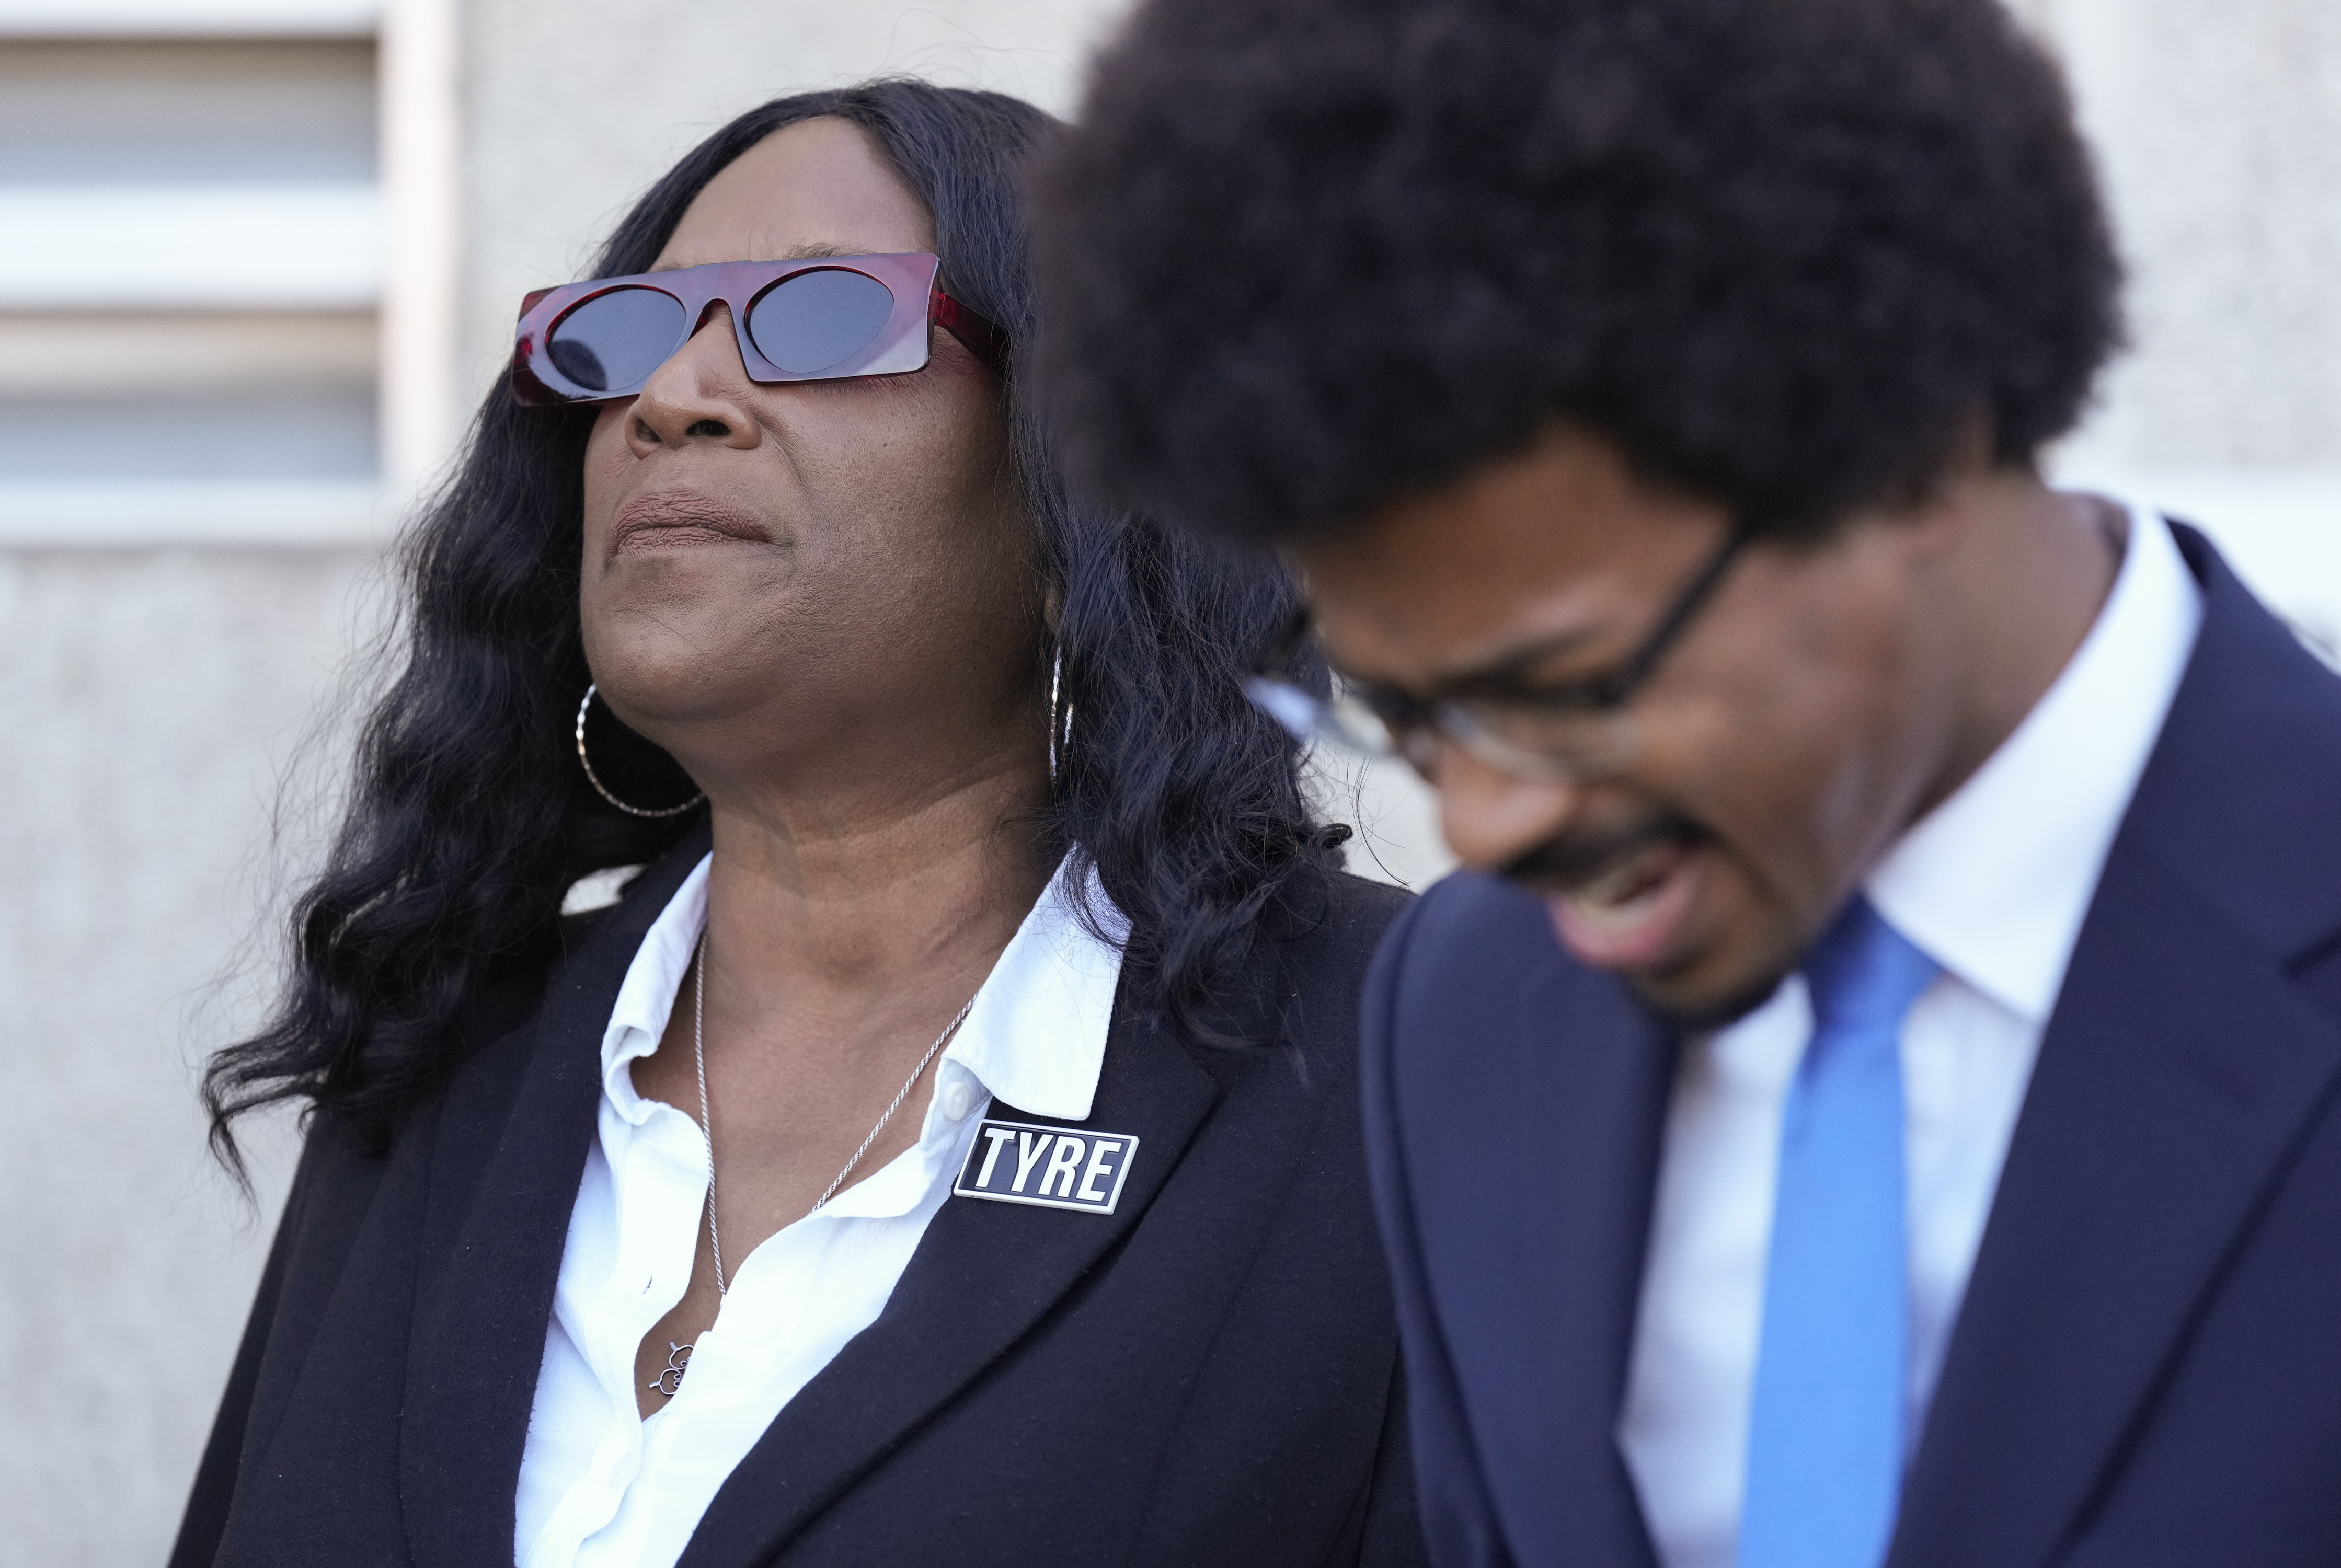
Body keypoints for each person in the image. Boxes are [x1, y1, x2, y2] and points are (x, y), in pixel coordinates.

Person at [1032, 1, 2341, 1564]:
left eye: (1567, 692)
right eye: (1403, 711)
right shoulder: (1467, 1009)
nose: (1483, 826)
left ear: (1914, 444)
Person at [174, 80, 1424, 1568]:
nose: (673, 396)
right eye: (633, 328)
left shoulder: (1406, 1070)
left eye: (822, 316)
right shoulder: (448, 1063)